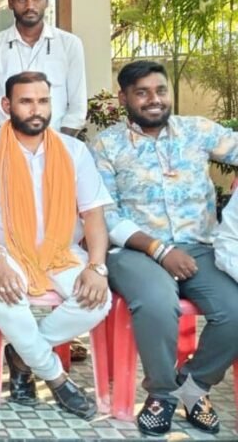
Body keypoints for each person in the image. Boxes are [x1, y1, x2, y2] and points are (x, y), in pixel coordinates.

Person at [91, 60, 238, 436]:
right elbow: (105, 214)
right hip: (135, 252)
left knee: (234, 309)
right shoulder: (107, 145)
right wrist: (159, 250)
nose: (154, 100)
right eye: (142, 93)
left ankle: (194, 385)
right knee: (157, 303)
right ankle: (161, 394)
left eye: (160, 91)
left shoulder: (197, 131)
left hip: (199, 247)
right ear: (123, 98)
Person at [0, 72, 112, 420]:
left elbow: (93, 215)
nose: (36, 109)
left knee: (97, 300)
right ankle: (57, 379)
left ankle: (21, 355)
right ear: (6, 105)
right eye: (26, 101)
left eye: (43, 101)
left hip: (60, 252)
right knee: (9, 301)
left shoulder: (73, 150)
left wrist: (97, 265)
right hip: (3, 249)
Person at [0, 0, 86, 135]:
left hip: (56, 139)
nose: (30, 6)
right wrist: (1, 142)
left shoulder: (69, 44)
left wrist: (60, 143)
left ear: (46, 1)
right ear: (11, 3)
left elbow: (77, 107)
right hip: (5, 142)